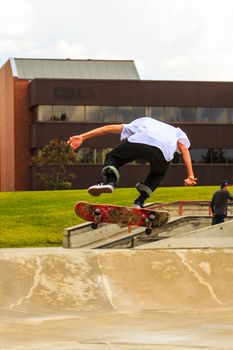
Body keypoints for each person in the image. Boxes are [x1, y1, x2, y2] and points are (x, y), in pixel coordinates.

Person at [67, 117, 197, 207]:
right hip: (163, 154)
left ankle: (110, 182)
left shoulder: (142, 122)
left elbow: (108, 128)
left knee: (113, 157)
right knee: (158, 174)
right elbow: (184, 149)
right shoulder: (177, 132)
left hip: (139, 142)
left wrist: (83, 137)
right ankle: (139, 202)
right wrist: (190, 176)